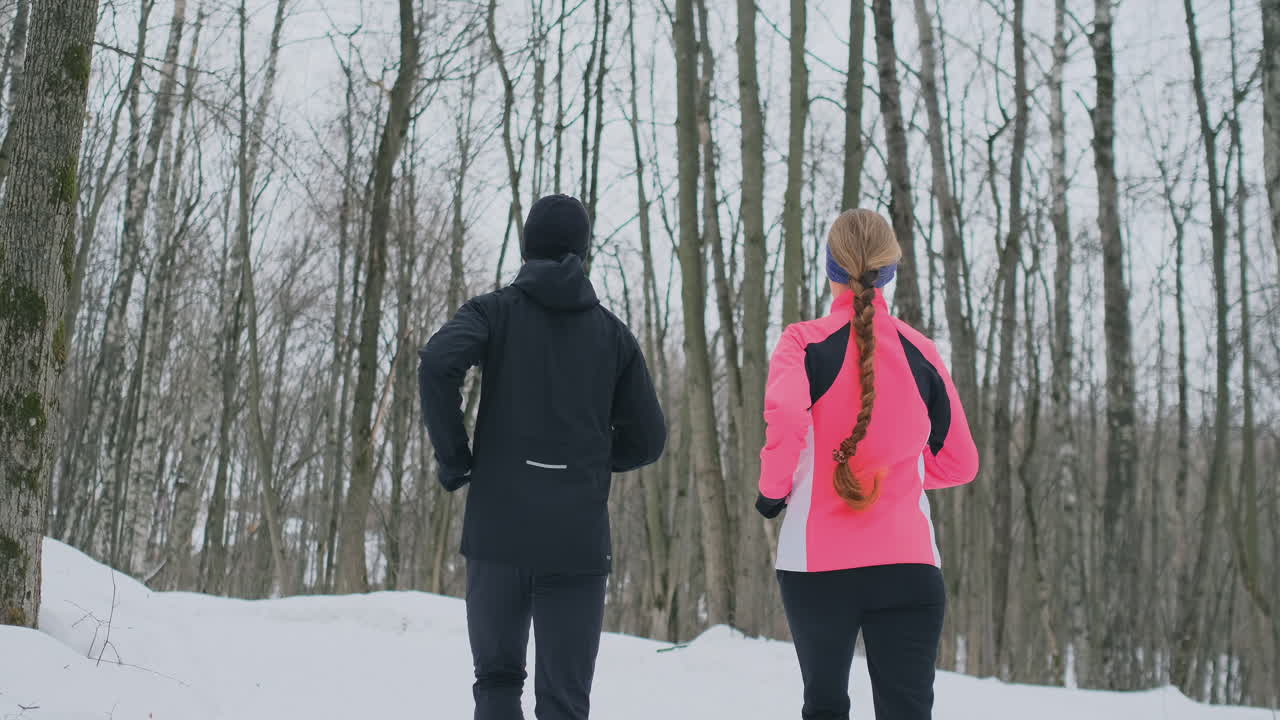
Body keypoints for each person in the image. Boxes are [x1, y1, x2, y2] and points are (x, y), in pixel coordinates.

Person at [418, 193, 667, 720]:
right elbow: (648, 440)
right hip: (576, 542)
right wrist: (591, 463)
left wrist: (457, 458)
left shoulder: (492, 312)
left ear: (528, 247)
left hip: (499, 531)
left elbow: (438, 362)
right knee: (565, 703)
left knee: (497, 681)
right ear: (582, 252)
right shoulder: (615, 337)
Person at [755, 209, 979, 720]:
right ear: (890, 270)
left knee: (826, 706)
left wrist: (774, 491)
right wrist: (905, 473)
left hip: (817, 565)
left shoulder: (802, 342)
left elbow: (788, 418)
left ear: (830, 268)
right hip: (909, 565)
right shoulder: (922, 349)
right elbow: (962, 462)